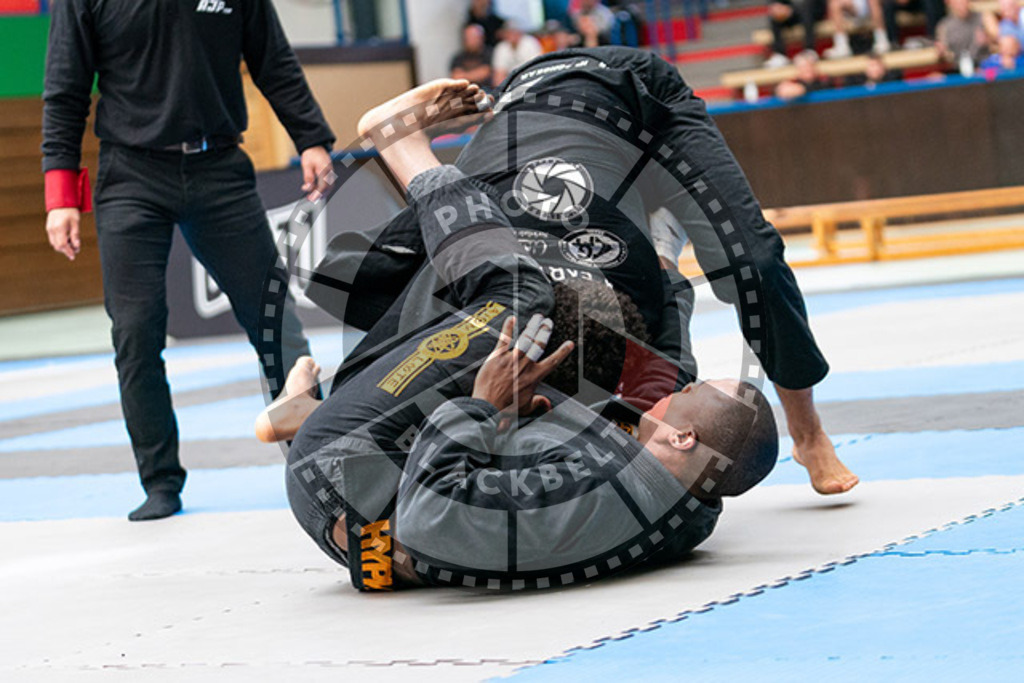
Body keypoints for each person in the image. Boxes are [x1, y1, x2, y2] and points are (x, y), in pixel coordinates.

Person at [277, 81, 779, 590]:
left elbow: (428, 520)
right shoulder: (684, 497)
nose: (679, 394)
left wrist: (484, 407)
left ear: (683, 436)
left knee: (517, 299)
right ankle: (310, 409)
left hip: (341, 476)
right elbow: (668, 375)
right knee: (623, 366)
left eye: (687, 399)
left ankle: (401, 146)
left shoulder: (592, 496)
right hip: (378, 486)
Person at [298, 47, 859, 501]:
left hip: (630, 95)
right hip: (528, 116)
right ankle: (330, 400)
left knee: (751, 262)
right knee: (463, 284)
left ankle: (808, 434)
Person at [42, 0, 335, 521]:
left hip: (220, 170)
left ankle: (321, 459)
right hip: (130, 176)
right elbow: (65, 89)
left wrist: (310, 136)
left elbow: (274, 59)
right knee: (135, 332)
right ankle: (160, 481)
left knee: (276, 324)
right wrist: (60, 193)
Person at [765, 0, 828, 68]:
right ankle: (780, 54)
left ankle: (810, 50)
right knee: (775, 15)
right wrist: (779, 7)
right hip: (793, 12)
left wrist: (791, 9)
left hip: (814, 9)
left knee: (807, 7)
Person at [824, 0, 891, 57]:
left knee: (873, 1)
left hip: (869, 5)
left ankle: (881, 39)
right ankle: (842, 46)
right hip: (852, 7)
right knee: (834, 4)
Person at [492, 20, 546, 85]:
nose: (512, 35)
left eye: (515, 32)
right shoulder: (501, 48)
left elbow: (537, 67)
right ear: (505, 34)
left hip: (530, 80)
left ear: (520, 32)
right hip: (510, 84)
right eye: (509, 32)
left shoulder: (530, 43)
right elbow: (498, 75)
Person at [936, 0, 989, 65]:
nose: (961, 5)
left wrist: (988, 40)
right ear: (949, 3)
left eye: (963, 1)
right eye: (957, 3)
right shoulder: (944, 26)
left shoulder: (984, 17)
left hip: (983, 65)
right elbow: (944, 54)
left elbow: (998, 42)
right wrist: (942, 52)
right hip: (958, 67)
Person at [451, 24, 495, 89]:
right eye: (468, 37)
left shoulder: (491, 53)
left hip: (488, 91)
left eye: (473, 37)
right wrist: (475, 75)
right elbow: (456, 77)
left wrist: (464, 75)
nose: (471, 41)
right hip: (465, 93)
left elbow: (485, 73)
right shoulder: (458, 57)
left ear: (481, 38)